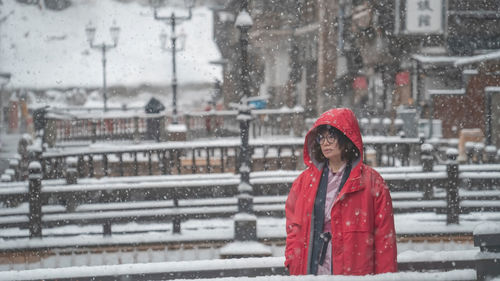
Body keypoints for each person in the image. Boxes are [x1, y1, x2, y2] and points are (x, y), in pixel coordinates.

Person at [285, 108, 397, 275]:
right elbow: (293, 226)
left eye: (331, 136)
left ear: (346, 138)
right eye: (321, 137)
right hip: (312, 268)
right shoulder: (303, 182)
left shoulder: (373, 182)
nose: (325, 142)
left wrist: (387, 277)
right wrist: (293, 259)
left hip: (354, 269)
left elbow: (384, 238)